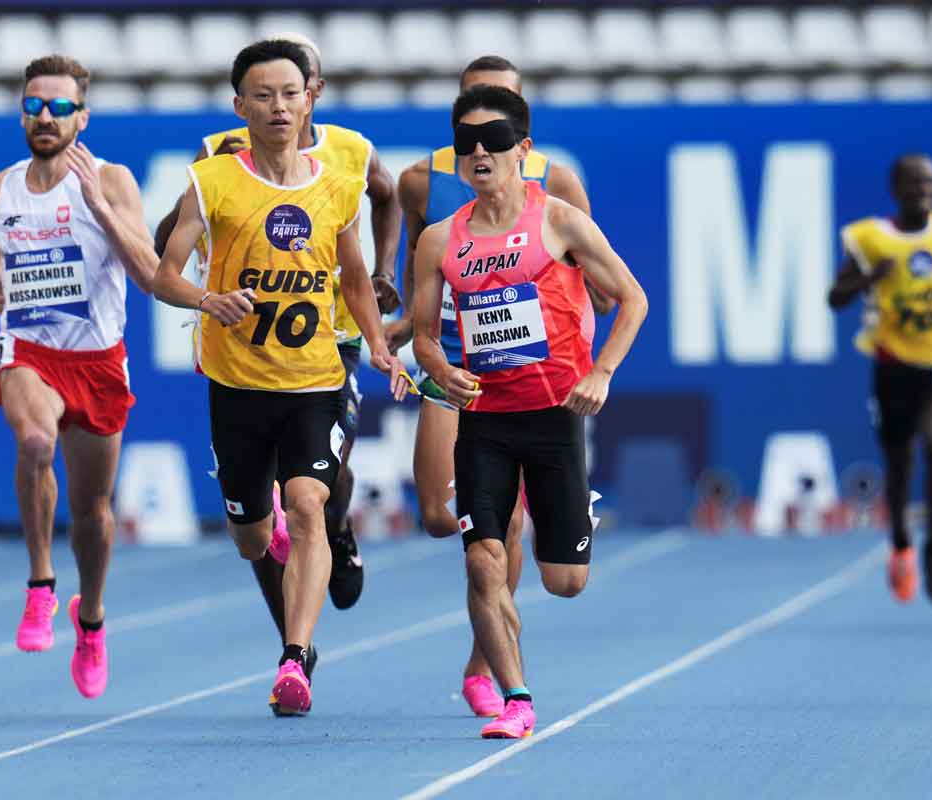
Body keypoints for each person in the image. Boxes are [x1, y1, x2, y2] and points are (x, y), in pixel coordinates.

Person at [152, 39, 404, 716]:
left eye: (290, 93)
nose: (279, 107)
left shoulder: (339, 180)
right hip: (237, 385)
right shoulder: (212, 179)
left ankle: (296, 658)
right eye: (263, 96)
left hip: (316, 377)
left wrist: (379, 344)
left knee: (308, 502)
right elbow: (163, 274)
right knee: (253, 540)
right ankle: (276, 531)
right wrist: (208, 298)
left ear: (311, 97)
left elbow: (354, 279)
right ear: (240, 106)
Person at [412, 85, 646, 738]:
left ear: (523, 148)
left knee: (565, 580)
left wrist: (601, 373)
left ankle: (573, 515)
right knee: (482, 560)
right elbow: (425, 337)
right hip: (483, 422)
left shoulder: (560, 221)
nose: (479, 153)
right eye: (465, 143)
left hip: (554, 415)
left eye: (493, 140)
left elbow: (632, 299)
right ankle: (516, 697)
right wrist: (441, 371)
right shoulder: (438, 240)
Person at [0, 55, 159, 698]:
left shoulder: (112, 179)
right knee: (33, 442)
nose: (45, 117)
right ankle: (40, 584)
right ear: (21, 113)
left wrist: (99, 206)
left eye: (59, 107)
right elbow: (2, 253)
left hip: (97, 360)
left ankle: (92, 618)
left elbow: (148, 272)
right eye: (34, 106)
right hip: (29, 350)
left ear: (83, 116)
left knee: (93, 512)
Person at [829, 154, 932, 606]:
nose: (924, 190)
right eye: (915, 182)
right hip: (893, 364)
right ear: (896, 189)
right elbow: (835, 297)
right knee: (899, 463)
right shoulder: (871, 239)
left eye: (931, 182)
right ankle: (902, 545)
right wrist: (868, 278)